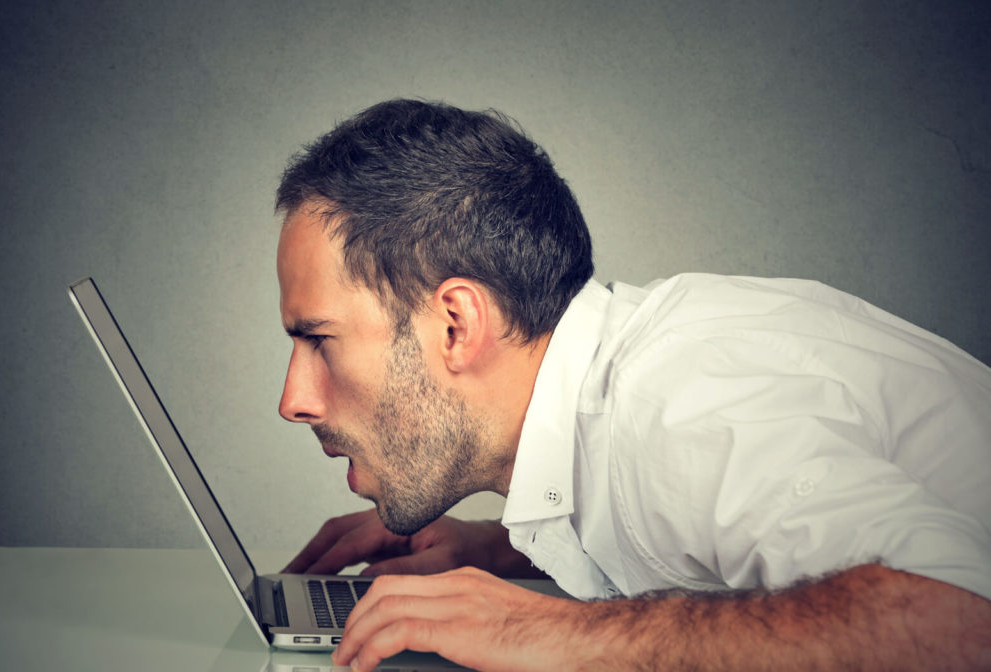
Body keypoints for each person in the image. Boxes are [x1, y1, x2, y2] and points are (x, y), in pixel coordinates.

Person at [273, 99, 991, 671]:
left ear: (456, 325)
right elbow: (692, 522)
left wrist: (563, 633)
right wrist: (503, 549)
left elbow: (958, 625)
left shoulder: (680, 403)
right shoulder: (617, 401)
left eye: (319, 340)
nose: (293, 400)